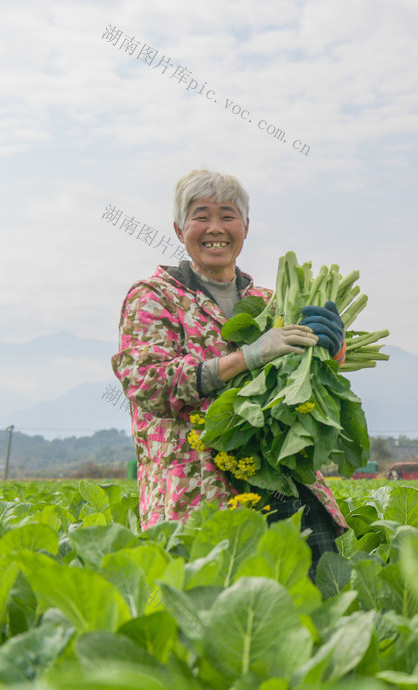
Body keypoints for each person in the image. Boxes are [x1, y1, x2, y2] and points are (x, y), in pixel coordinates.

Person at [111, 169, 348, 574]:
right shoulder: (153, 297)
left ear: (246, 227)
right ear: (180, 228)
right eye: (201, 215)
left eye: (227, 215)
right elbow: (150, 384)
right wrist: (248, 357)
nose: (215, 228)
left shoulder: (270, 303)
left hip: (284, 486)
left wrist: (330, 352)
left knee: (314, 617)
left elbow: (300, 396)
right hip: (197, 494)